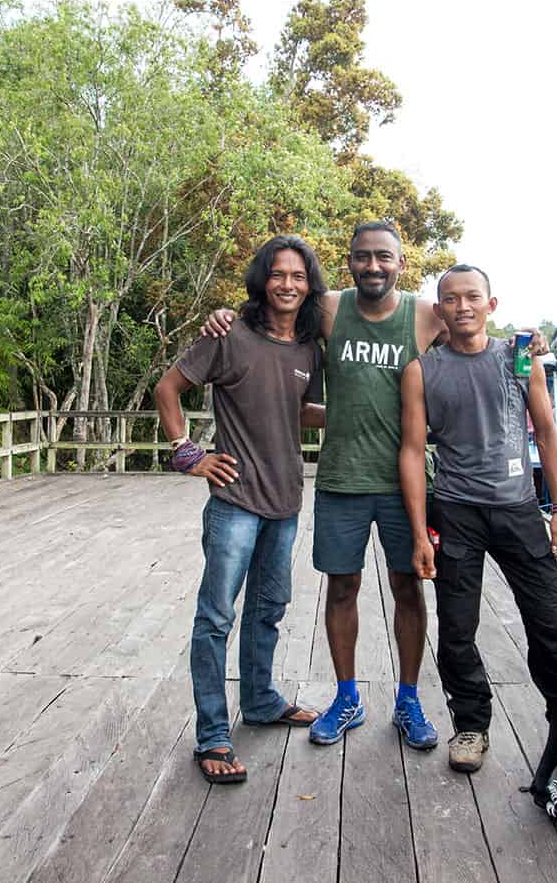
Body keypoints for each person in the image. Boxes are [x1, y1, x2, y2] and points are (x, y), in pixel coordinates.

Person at [204, 222, 547, 751]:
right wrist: (225, 315)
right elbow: (273, 308)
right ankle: (347, 697)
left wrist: (532, 340)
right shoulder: (329, 309)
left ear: (401, 264)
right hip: (341, 478)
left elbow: (475, 329)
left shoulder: (426, 314)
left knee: (407, 587)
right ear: (350, 262)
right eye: (363, 256)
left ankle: (408, 699)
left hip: (404, 484)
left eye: (384, 257)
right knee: (342, 588)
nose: (373, 266)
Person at [154, 235, 327, 784]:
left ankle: (260, 701)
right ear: (262, 279)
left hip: (285, 500)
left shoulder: (309, 347)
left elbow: (300, 410)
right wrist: (188, 454)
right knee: (215, 618)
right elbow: (168, 388)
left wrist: (362, 407)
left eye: (298, 276)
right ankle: (212, 735)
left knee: (268, 609)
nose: (287, 284)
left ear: (309, 285)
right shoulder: (228, 333)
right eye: (278, 274)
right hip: (234, 501)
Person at [399, 264, 557, 773]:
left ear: (491, 304)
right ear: (439, 310)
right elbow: (411, 450)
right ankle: (471, 724)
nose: (462, 307)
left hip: (518, 509)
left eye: (472, 297)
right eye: (451, 299)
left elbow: (547, 433)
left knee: (551, 624)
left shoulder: (519, 357)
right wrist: (420, 534)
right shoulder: (422, 370)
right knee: (457, 629)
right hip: (456, 509)